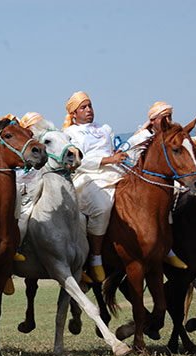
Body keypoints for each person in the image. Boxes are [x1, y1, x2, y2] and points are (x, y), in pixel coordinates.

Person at [62, 91, 128, 282]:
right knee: (103, 207)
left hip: (115, 172)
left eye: (89, 105)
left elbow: (115, 148)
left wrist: (119, 155)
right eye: (83, 107)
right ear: (74, 113)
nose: (89, 110)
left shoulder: (105, 128)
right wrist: (108, 159)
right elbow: (77, 161)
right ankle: (96, 256)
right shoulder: (69, 133)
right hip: (88, 177)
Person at [126, 102, 188, 269]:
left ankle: (168, 248)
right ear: (153, 120)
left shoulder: (171, 138)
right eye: (164, 117)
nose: (168, 121)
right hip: (140, 186)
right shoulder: (139, 138)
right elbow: (128, 162)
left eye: (170, 117)